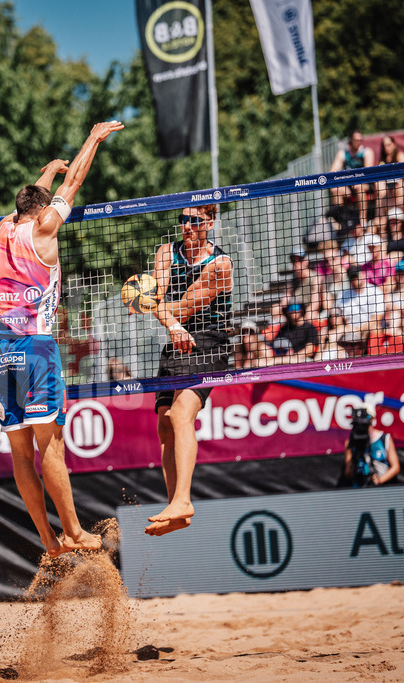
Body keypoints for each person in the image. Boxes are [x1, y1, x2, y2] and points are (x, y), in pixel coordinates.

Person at [0, 121, 122, 558]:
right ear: (43, 212)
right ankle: (75, 533)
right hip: (35, 349)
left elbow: (30, 198)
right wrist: (92, 140)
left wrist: (45, 171)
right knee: (51, 445)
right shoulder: (43, 231)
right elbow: (75, 180)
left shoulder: (3, 228)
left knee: (20, 454)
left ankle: (48, 541)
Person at [148, 203, 233, 536]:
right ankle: (175, 510)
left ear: (209, 223)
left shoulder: (220, 264)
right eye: (183, 220)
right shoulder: (167, 252)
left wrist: (152, 305)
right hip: (176, 341)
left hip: (210, 341)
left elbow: (179, 308)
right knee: (164, 424)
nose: (186, 226)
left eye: (194, 221)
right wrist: (160, 311)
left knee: (182, 414)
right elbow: (159, 302)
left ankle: (184, 499)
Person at [343, 407, 400, 488]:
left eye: (364, 424)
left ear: (372, 420)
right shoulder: (351, 443)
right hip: (359, 489)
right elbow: (348, 473)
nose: (361, 427)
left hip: (382, 488)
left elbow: (395, 467)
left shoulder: (384, 438)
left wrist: (379, 480)